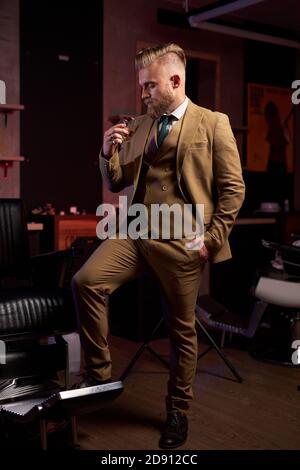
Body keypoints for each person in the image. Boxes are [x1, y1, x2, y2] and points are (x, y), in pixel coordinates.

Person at [72, 43, 245, 449]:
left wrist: (212, 240)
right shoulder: (144, 124)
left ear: (174, 80)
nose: (143, 93)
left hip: (183, 242)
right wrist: (106, 149)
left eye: (149, 86)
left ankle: (177, 411)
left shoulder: (212, 123)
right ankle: (98, 376)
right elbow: (116, 181)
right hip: (136, 232)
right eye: (141, 87)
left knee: (181, 331)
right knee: (86, 281)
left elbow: (233, 189)